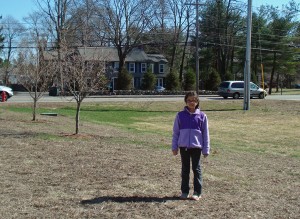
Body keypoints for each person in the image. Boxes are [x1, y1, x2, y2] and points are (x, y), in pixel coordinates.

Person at [172, 91, 210, 201]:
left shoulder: (202, 116)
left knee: (196, 169)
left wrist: (206, 149)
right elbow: (176, 133)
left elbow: (205, 133)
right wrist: (174, 147)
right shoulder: (180, 116)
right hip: (184, 147)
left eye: (194, 100)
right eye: (189, 100)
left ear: (197, 102)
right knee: (185, 170)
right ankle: (185, 191)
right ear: (186, 101)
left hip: (196, 148)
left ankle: (197, 192)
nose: (191, 102)